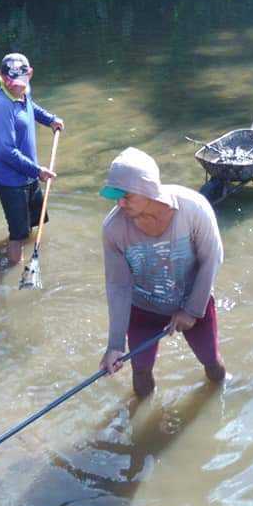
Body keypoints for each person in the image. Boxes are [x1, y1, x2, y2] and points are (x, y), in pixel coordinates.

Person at [98, 147, 226, 398]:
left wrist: (192, 309)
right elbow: (118, 286)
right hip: (143, 307)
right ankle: (142, 428)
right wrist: (114, 345)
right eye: (115, 196)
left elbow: (212, 258)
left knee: (210, 361)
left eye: (125, 196)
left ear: (148, 189)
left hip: (192, 300)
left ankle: (219, 400)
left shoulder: (193, 209)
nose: (119, 203)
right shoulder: (113, 229)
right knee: (141, 371)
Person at [0, 52, 64, 265]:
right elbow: (5, 151)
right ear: (1, 77)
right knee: (18, 234)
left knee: (32, 222)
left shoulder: (22, 92)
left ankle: (30, 256)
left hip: (28, 175)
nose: (15, 87)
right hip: (11, 181)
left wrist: (51, 120)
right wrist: (37, 171)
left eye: (20, 82)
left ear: (29, 74)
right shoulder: (1, 106)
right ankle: (15, 270)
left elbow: (31, 107)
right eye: (9, 82)